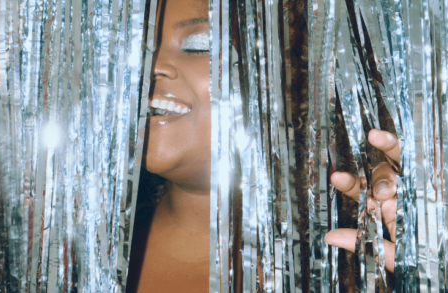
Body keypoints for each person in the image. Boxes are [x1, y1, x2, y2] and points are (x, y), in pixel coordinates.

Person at [125, 0, 400, 291]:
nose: (152, 66)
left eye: (199, 44)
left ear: (292, 74)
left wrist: (436, 263)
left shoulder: (348, 266)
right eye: (141, 46)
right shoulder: (84, 245)